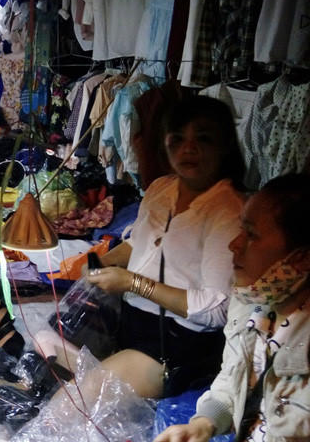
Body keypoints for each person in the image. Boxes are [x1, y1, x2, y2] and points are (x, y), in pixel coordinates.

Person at [75, 96, 246, 398]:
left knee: (78, 399)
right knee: (48, 354)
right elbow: (140, 243)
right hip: (131, 322)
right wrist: (103, 262)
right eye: (177, 139)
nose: (188, 149)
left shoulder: (229, 211)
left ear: (224, 146)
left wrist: (132, 282)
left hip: (179, 342)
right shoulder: (161, 188)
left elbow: (217, 310)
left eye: (203, 139)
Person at [155, 173, 310, 442]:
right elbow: (233, 381)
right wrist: (203, 424)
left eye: (251, 235)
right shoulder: (250, 305)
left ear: (302, 258)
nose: (233, 244)